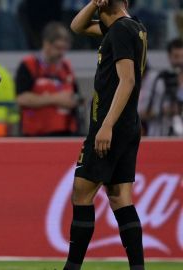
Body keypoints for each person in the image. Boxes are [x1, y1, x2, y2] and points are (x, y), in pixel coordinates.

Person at [64, 1, 147, 270]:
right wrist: (94, 3)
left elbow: (128, 80)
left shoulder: (120, 31)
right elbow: (76, 26)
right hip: (128, 126)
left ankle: (72, 267)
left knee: (82, 192)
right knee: (120, 196)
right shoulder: (132, 28)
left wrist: (107, 125)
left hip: (111, 126)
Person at [16, 22, 80, 137]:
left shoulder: (67, 67)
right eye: (58, 48)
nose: (61, 53)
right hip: (35, 135)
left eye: (64, 49)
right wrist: (56, 99)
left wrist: (75, 100)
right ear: (46, 44)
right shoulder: (29, 65)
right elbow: (22, 99)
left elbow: (74, 96)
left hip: (65, 134)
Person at [139, 39, 183, 137]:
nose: (180, 61)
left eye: (182, 57)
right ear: (169, 57)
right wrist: (161, 110)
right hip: (158, 137)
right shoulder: (156, 80)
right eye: (176, 57)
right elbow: (140, 111)